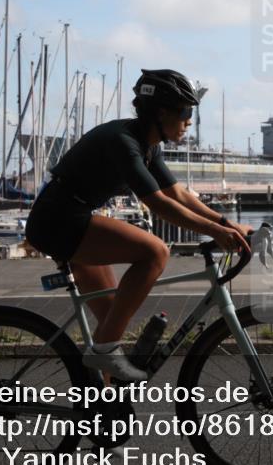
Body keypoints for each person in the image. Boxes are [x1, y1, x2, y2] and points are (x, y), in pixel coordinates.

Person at [24, 69, 252, 382]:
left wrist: (228, 224)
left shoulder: (149, 144)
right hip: (58, 221)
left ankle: (102, 407)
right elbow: (158, 204)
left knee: (110, 321)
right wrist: (215, 231)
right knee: (154, 252)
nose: (189, 121)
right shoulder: (124, 141)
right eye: (185, 112)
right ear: (161, 112)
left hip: (69, 216)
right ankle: (103, 355)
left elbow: (177, 193)